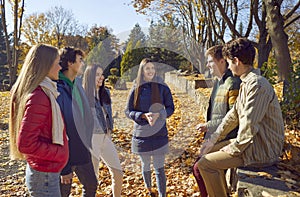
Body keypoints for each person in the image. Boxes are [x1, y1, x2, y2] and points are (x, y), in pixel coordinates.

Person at [197, 38, 285, 197]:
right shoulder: (247, 83)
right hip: (251, 142)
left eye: (230, 62)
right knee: (204, 154)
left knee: (205, 165)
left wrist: (234, 148)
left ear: (236, 61)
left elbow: (250, 124)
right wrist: (214, 139)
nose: (229, 67)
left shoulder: (257, 85)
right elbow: (233, 116)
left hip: (262, 148)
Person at [9, 44, 69, 196]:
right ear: (46, 66)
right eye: (57, 63)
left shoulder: (45, 92)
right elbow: (25, 144)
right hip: (45, 177)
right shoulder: (39, 96)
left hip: (45, 173)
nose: (60, 68)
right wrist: (60, 152)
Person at [192, 45, 241, 197]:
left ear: (221, 62)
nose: (207, 65)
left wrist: (208, 125)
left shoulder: (232, 83)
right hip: (217, 136)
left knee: (199, 168)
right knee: (205, 168)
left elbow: (234, 115)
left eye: (210, 61)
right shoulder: (219, 82)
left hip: (228, 137)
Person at [125, 58, 175, 197]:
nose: (150, 71)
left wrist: (160, 115)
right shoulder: (136, 88)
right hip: (141, 135)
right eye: (147, 68)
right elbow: (128, 111)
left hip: (159, 133)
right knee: (146, 165)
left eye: (152, 68)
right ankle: (149, 190)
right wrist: (142, 116)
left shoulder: (162, 87)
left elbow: (171, 107)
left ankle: (162, 194)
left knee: (159, 168)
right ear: (142, 70)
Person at [57, 46, 97, 197]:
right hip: (66, 152)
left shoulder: (78, 84)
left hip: (82, 147)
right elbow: (61, 125)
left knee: (91, 185)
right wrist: (65, 166)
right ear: (69, 63)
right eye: (80, 60)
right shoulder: (58, 87)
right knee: (63, 192)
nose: (83, 64)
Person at [82, 64, 123, 197]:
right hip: (91, 140)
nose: (102, 77)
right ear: (90, 77)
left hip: (106, 138)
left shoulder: (106, 93)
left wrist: (110, 131)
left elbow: (107, 116)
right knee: (93, 181)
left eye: (102, 74)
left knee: (118, 173)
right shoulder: (83, 95)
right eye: (98, 75)